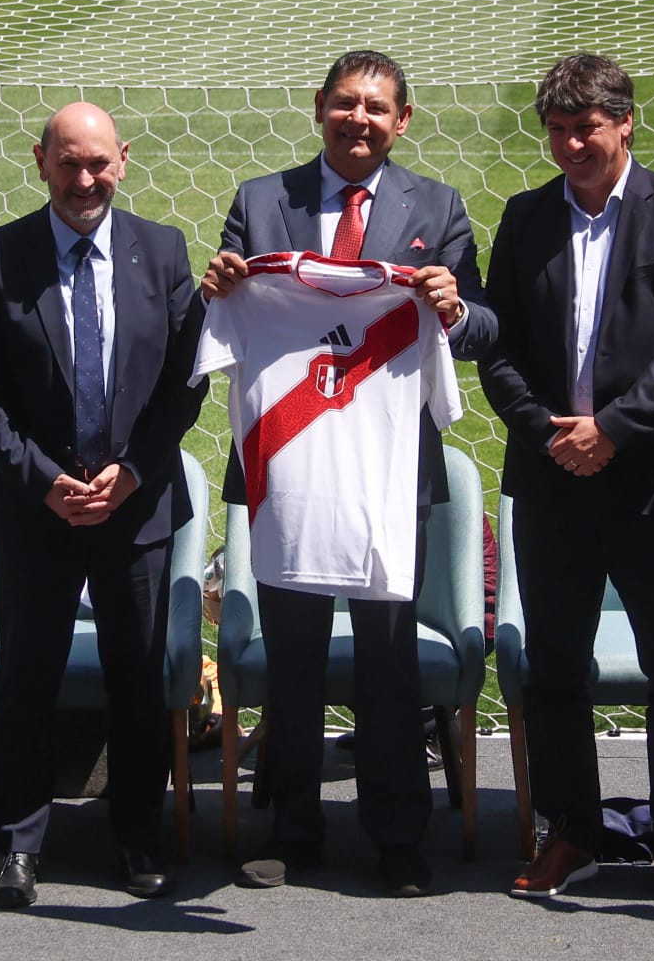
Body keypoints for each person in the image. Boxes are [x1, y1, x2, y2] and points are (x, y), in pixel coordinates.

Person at [200, 50, 494, 898]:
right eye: (344, 104)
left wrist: (454, 306)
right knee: (290, 655)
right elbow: (220, 311)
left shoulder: (434, 206)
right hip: (289, 468)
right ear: (318, 109)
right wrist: (217, 285)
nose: (358, 118)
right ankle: (289, 827)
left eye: (376, 107)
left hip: (389, 470)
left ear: (402, 122)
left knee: (388, 658)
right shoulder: (262, 202)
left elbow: (483, 328)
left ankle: (397, 834)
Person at [479, 53, 654, 908]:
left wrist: (613, 432)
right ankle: (572, 832)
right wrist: (551, 433)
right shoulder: (524, 219)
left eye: (586, 127)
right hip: (553, 477)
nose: (570, 144)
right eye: (556, 129)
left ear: (625, 124)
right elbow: (498, 346)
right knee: (555, 666)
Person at [0, 102, 208, 907]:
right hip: (38, 513)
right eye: (69, 163)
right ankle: (16, 847)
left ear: (124, 160)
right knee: (26, 681)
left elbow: (186, 383)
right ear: (41, 162)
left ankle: (137, 840)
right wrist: (44, 480)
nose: (85, 179)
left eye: (99, 162)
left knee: (137, 679)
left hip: (135, 511)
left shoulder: (163, 251)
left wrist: (133, 471)